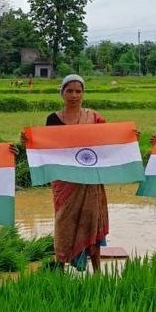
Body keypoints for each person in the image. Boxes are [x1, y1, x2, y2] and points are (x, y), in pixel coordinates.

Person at [46, 74, 109, 273]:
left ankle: (98, 272)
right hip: (64, 181)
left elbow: (108, 141)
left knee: (92, 220)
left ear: (83, 94)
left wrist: (128, 137)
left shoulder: (94, 118)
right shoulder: (53, 119)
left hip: (90, 179)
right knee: (64, 221)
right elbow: (46, 147)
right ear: (62, 93)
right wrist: (27, 141)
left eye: (78, 91)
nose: (74, 95)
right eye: (69, 91)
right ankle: (60, 269)